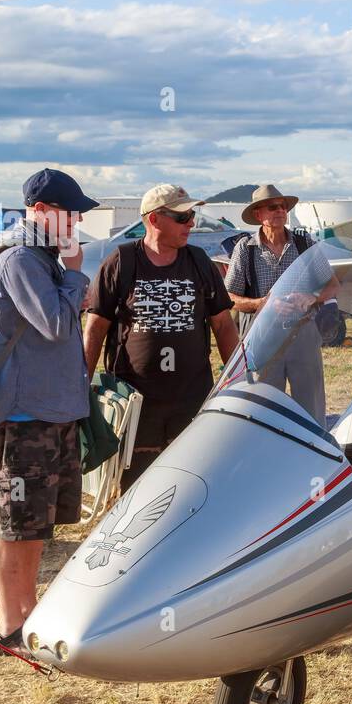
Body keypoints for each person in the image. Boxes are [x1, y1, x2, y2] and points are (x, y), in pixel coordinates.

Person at [0, 167, 99, 658]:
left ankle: (28, 615)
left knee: (35, 524)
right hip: (24, 416)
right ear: (43, 212)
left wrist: (71, 278)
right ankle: (13, 625)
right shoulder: (21, 260)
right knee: (17, 523)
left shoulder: (42, 259)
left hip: (48, 413)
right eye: (71, 213)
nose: (76, 223)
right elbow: (52, 323)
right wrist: (75, 276)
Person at [83, 184, 240, 489]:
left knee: (189, 478)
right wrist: (80, 388)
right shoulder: (121, 261)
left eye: (192, 215)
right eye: (183, 217)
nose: (191, 223)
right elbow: (95, 328)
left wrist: (236, 379)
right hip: (136, 400)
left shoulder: (199, 262)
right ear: (155, 220)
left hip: (192, 396)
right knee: (135, 482)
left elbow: (223, 324)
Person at [223, 184, 337, 424]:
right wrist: (262, 304)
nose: (281, 211)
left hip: (304, 332)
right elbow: (229, 297)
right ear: (258, 215)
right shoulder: (245, 248)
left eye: (284, 206)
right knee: (264, 407)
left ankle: (313, 454)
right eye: (273, 207)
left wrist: (312, 298)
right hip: (263, 337)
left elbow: (333, 285)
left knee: (311, 408)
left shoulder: (303, 243)